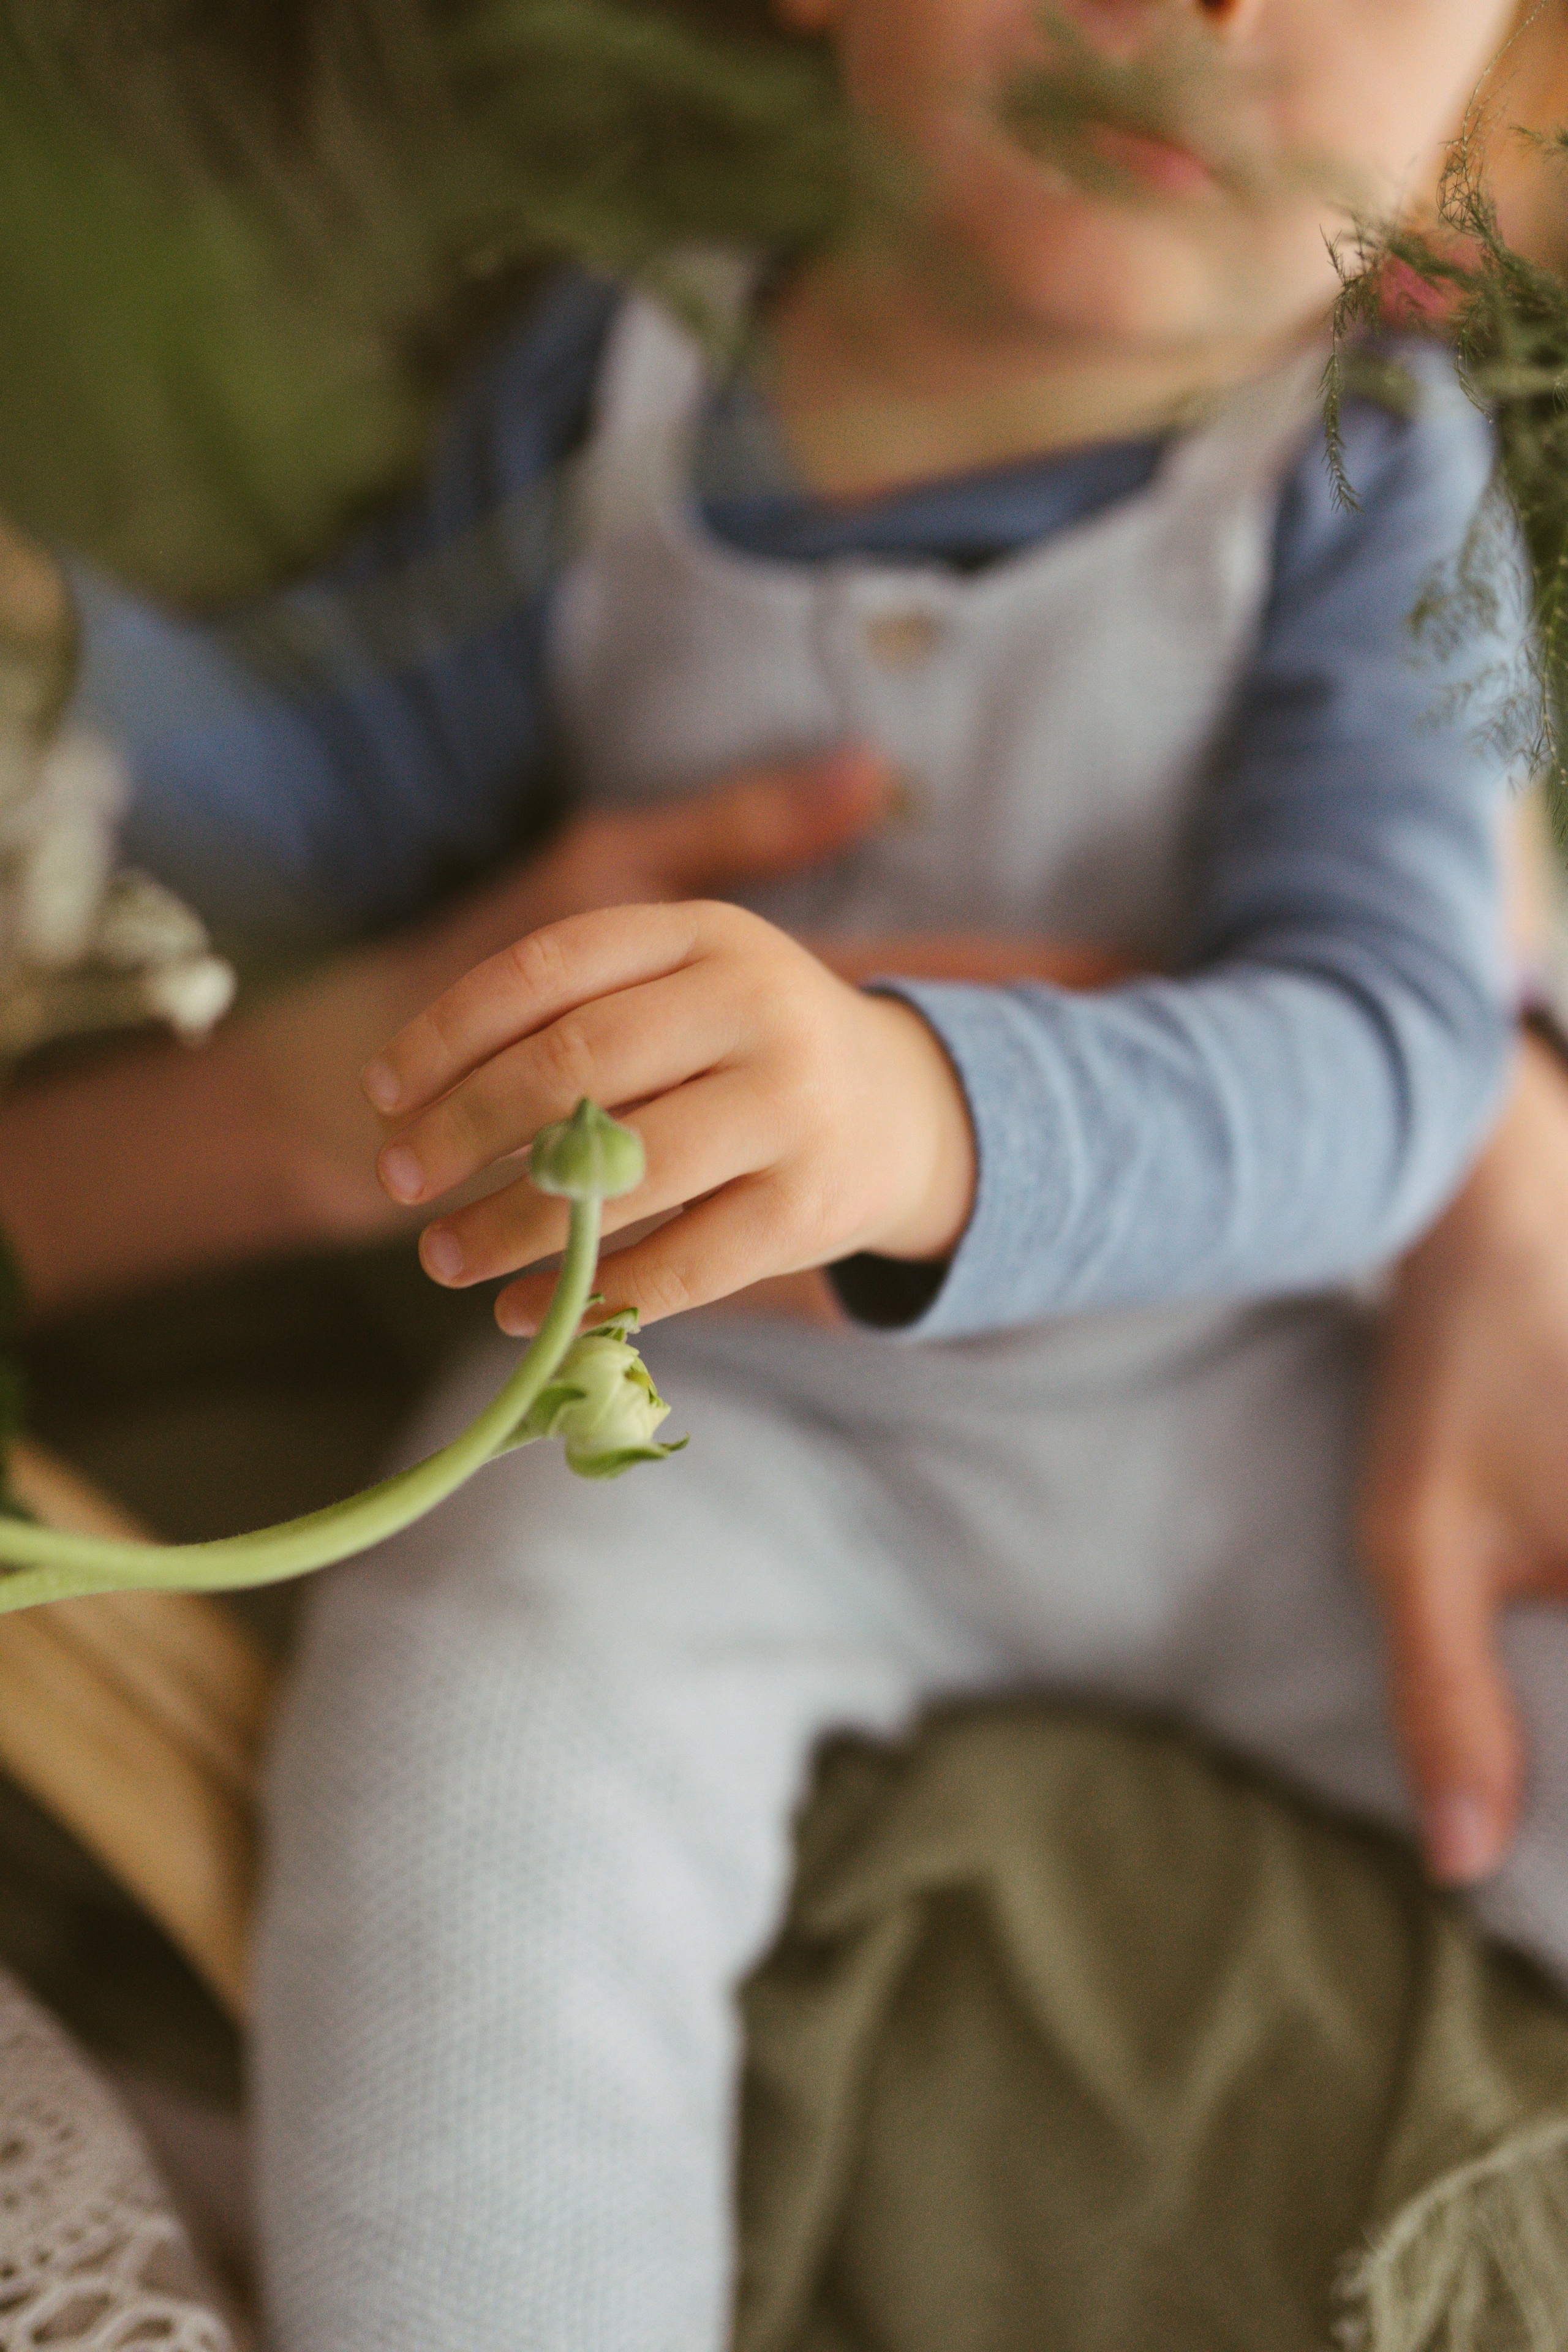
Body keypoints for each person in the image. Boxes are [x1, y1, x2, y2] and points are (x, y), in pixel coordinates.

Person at [8, 0, 1568, 2341]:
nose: (1216, 13)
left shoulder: (1381, 473)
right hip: (727, 1423)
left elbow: (1393, 1051)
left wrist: (920, 1111)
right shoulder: (622, 368)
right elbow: (359, 793)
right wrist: (67, 676)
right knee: (464, 1721)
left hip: (1281, 1425)